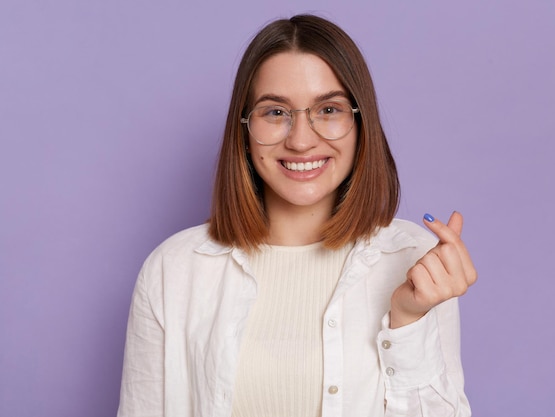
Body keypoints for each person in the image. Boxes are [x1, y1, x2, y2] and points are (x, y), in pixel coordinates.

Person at [117, 14, 477, 417]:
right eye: (275, 113)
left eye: (328, 109)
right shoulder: (173, 270)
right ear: (245, 128)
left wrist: (409, 321)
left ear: (361, 124)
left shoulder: (416, 261)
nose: (302, 140)